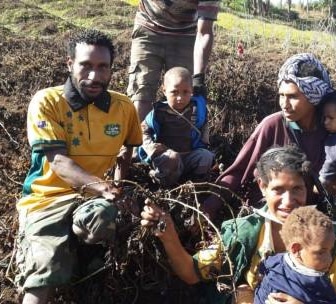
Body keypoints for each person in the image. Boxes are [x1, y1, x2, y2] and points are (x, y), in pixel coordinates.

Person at [202, 53, 336, 304]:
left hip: (313, 219)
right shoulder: (272, 125)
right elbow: (238, 172)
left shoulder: (335, 127)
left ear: (313, 97)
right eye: (282, 95)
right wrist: (207, 211)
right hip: (272, 216)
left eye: (293, 96)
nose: (284, 103)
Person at [14, 29, 142, 304]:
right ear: (70, 64)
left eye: (102, 67)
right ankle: (57, 255)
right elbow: (58, 162)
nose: (95, 76)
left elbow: (127, 150)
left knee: (102, 219)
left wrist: (118, 185)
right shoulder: (47, 101)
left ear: (111, 69)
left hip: (91, 198)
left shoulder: (124, 107)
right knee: (43, 272)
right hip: (46, 200)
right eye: (86, 65)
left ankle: (82, 257)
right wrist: (106, 187)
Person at [141, 146, 336, 304]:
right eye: (278, 189)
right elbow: (192, 273)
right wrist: (168, 236)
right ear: (262, 187)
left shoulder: (328, 236)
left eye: (297, 189)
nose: (289, 200)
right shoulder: (243, 231)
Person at [127, 0, 220, 122]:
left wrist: (198, 78)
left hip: (185, 35)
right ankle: (138, 139)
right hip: (148, 26)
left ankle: (173, 139)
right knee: (142, 94)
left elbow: (204, 32)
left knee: (181, 99)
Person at [137, 66, 214, 187]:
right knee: (172, 158)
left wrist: (205, 140)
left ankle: (196, 185)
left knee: (206, 156)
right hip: (166, 158)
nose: (180, 98)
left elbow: (204, 125)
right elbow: (143, 131)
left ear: (192, 91)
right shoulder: (158, 112)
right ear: (164, 90)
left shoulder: (196, 110)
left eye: (185, 92)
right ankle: (162, 182)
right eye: (174, 92)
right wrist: (151, 148)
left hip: (188, 155)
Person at [254, 206, 336, 304]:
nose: (330, 259)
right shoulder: (319, 284)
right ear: (296, 249)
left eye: (330, 251)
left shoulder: (322, 285)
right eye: (321, 252)